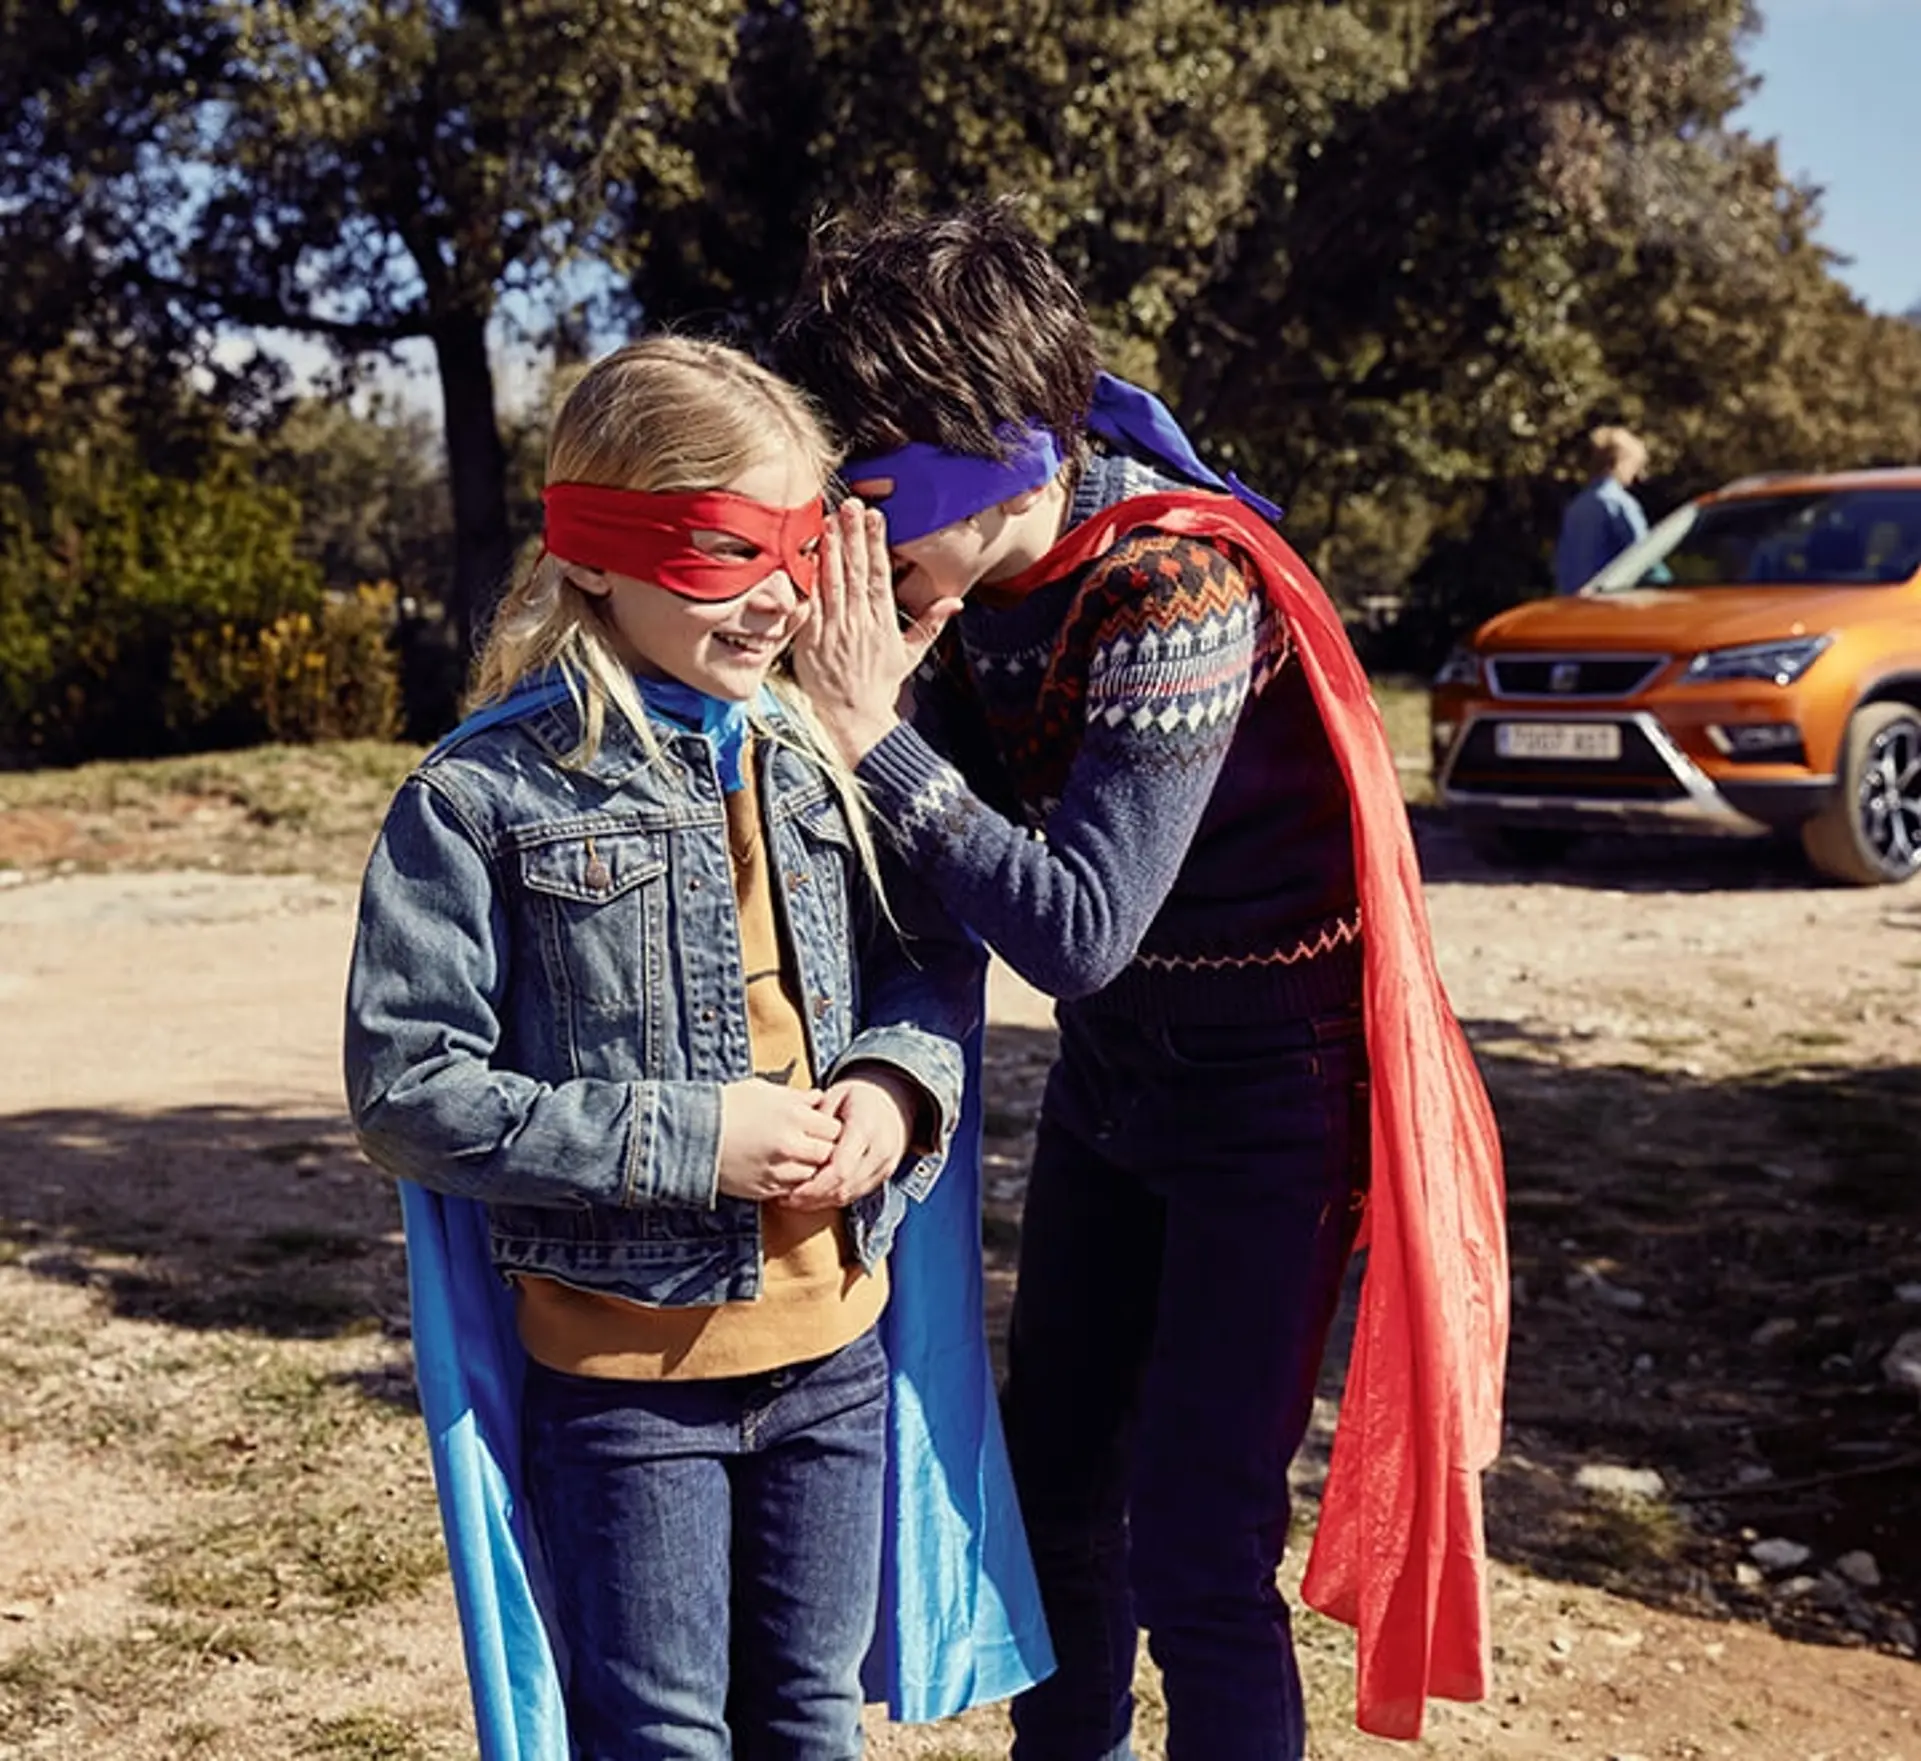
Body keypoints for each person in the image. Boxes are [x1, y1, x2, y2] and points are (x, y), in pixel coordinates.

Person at [774, 202, 1508, 1758]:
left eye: (870, 484)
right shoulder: (963, 598)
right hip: (1117, 1085)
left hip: (1275, 1102)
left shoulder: (1174, 584)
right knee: (1055, 1495)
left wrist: (874, 735)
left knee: (1197, 1539)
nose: (850, 536)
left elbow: (1075, 923)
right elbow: (945, 869)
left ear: (993, 451)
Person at [344, 336, 998, 1759]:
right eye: (724, 551)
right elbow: (409, 1089)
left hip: (833, 1356)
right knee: (661, 1736)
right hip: (624, 1392)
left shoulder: (820, 753)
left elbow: (923, 964)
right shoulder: (476, 798)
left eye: (800, 549)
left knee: (812, 1720)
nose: (777, 596)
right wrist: (693, 1138)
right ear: (591, 553)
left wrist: (895, 1086)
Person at [1554, 424, 1654, 592]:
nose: (1636, 473)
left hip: (1572, 601)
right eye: (1634, 465)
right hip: (1610, 600)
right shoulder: (1619, 504)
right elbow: (1645, 557)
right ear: (1620, 462)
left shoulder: (1576, 507)